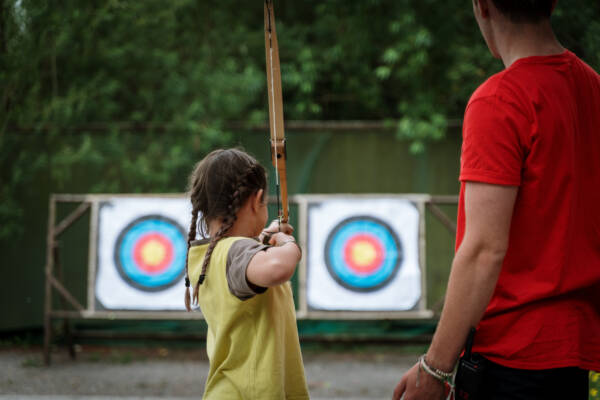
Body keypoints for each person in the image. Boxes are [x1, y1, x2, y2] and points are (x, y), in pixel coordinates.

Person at [393, 0, 600, 399]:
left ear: (482, 6)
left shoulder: (500, 100)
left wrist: (434, 368)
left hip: (517, 358)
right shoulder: (592, 87)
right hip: (582, 348)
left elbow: (485, 248)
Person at [183, 148, 309, 399]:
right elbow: (276, 268)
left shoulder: (208, 253)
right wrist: (289, 245)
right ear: (257, 199)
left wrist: (265, 236)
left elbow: (243, 259)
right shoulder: (237, 254)